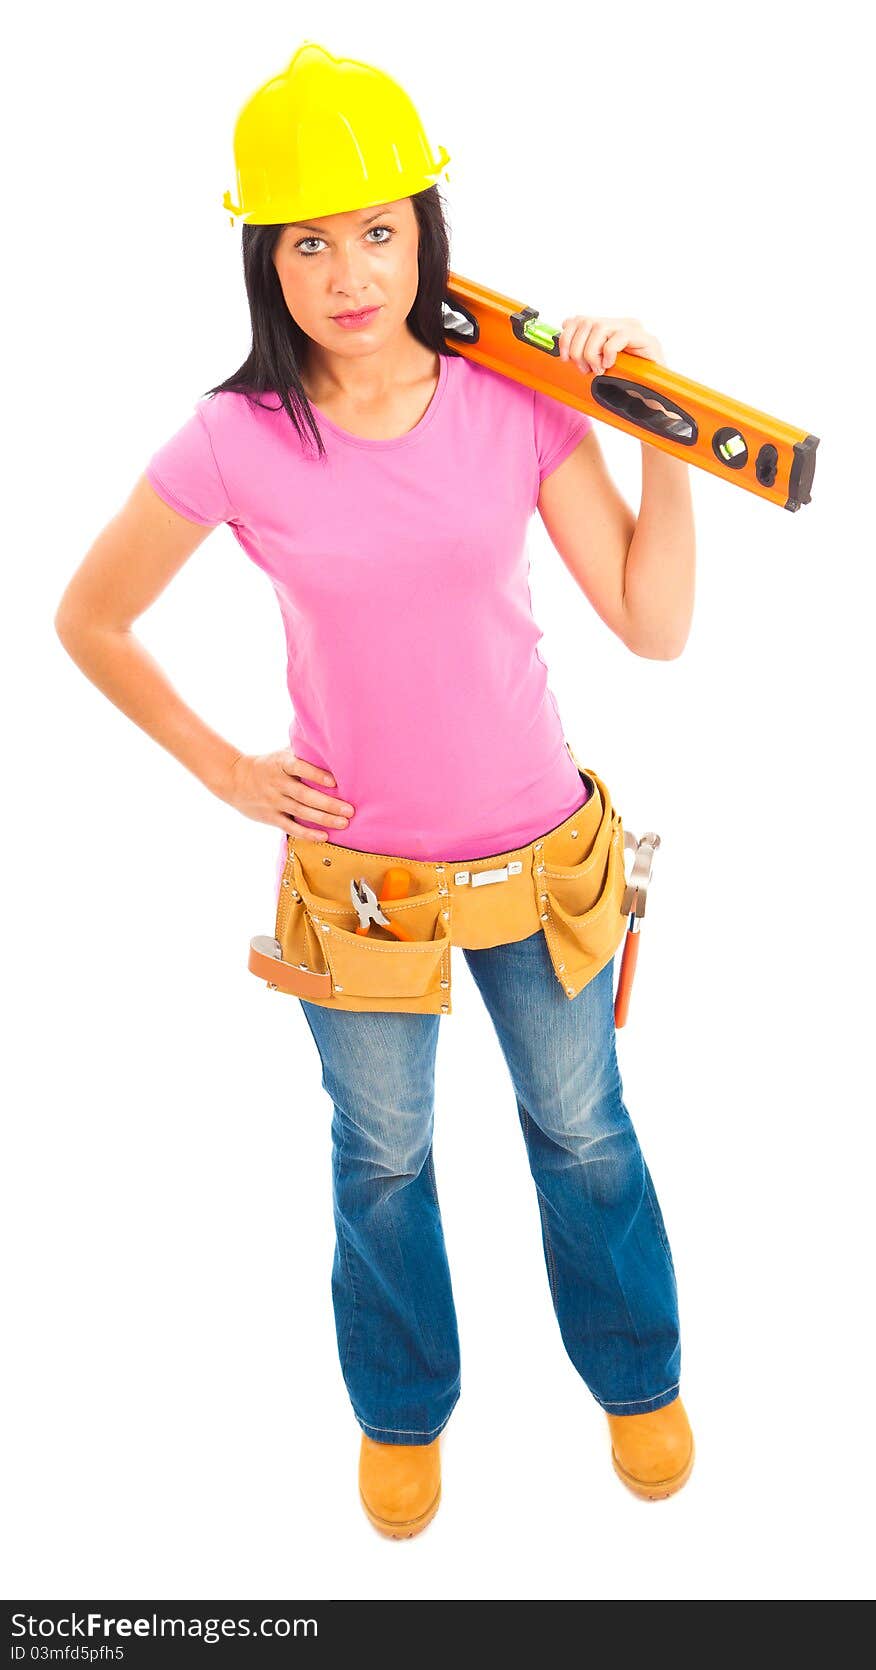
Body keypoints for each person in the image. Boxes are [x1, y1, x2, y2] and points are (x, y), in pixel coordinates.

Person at [54, 42, 696, 1538]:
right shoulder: (236, 440)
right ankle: (403, 1410)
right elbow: (89, 617)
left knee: (585, 1126)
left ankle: (639, 1373)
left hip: (541, 860)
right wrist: (225, 769)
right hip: (361, 892)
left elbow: (653, 623)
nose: (350, 271)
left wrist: (658, 421)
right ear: (265, 260)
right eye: (310, 240)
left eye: (380, 229)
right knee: (384, 1157)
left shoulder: (515, 395)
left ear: (427, 229)